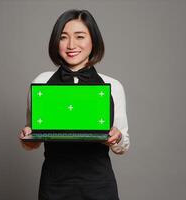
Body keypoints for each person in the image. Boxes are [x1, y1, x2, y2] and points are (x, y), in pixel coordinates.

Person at [18, 9, 130, 200]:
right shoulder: (42, 83)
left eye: (80, 36)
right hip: (54, 186)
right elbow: (33, 139)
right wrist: (27, 137)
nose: (71, 45)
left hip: (99, 186)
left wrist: (116, 138)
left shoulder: (113, 86)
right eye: (63, 37)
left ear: (93, 41)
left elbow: (123, 145)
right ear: (56, 42)